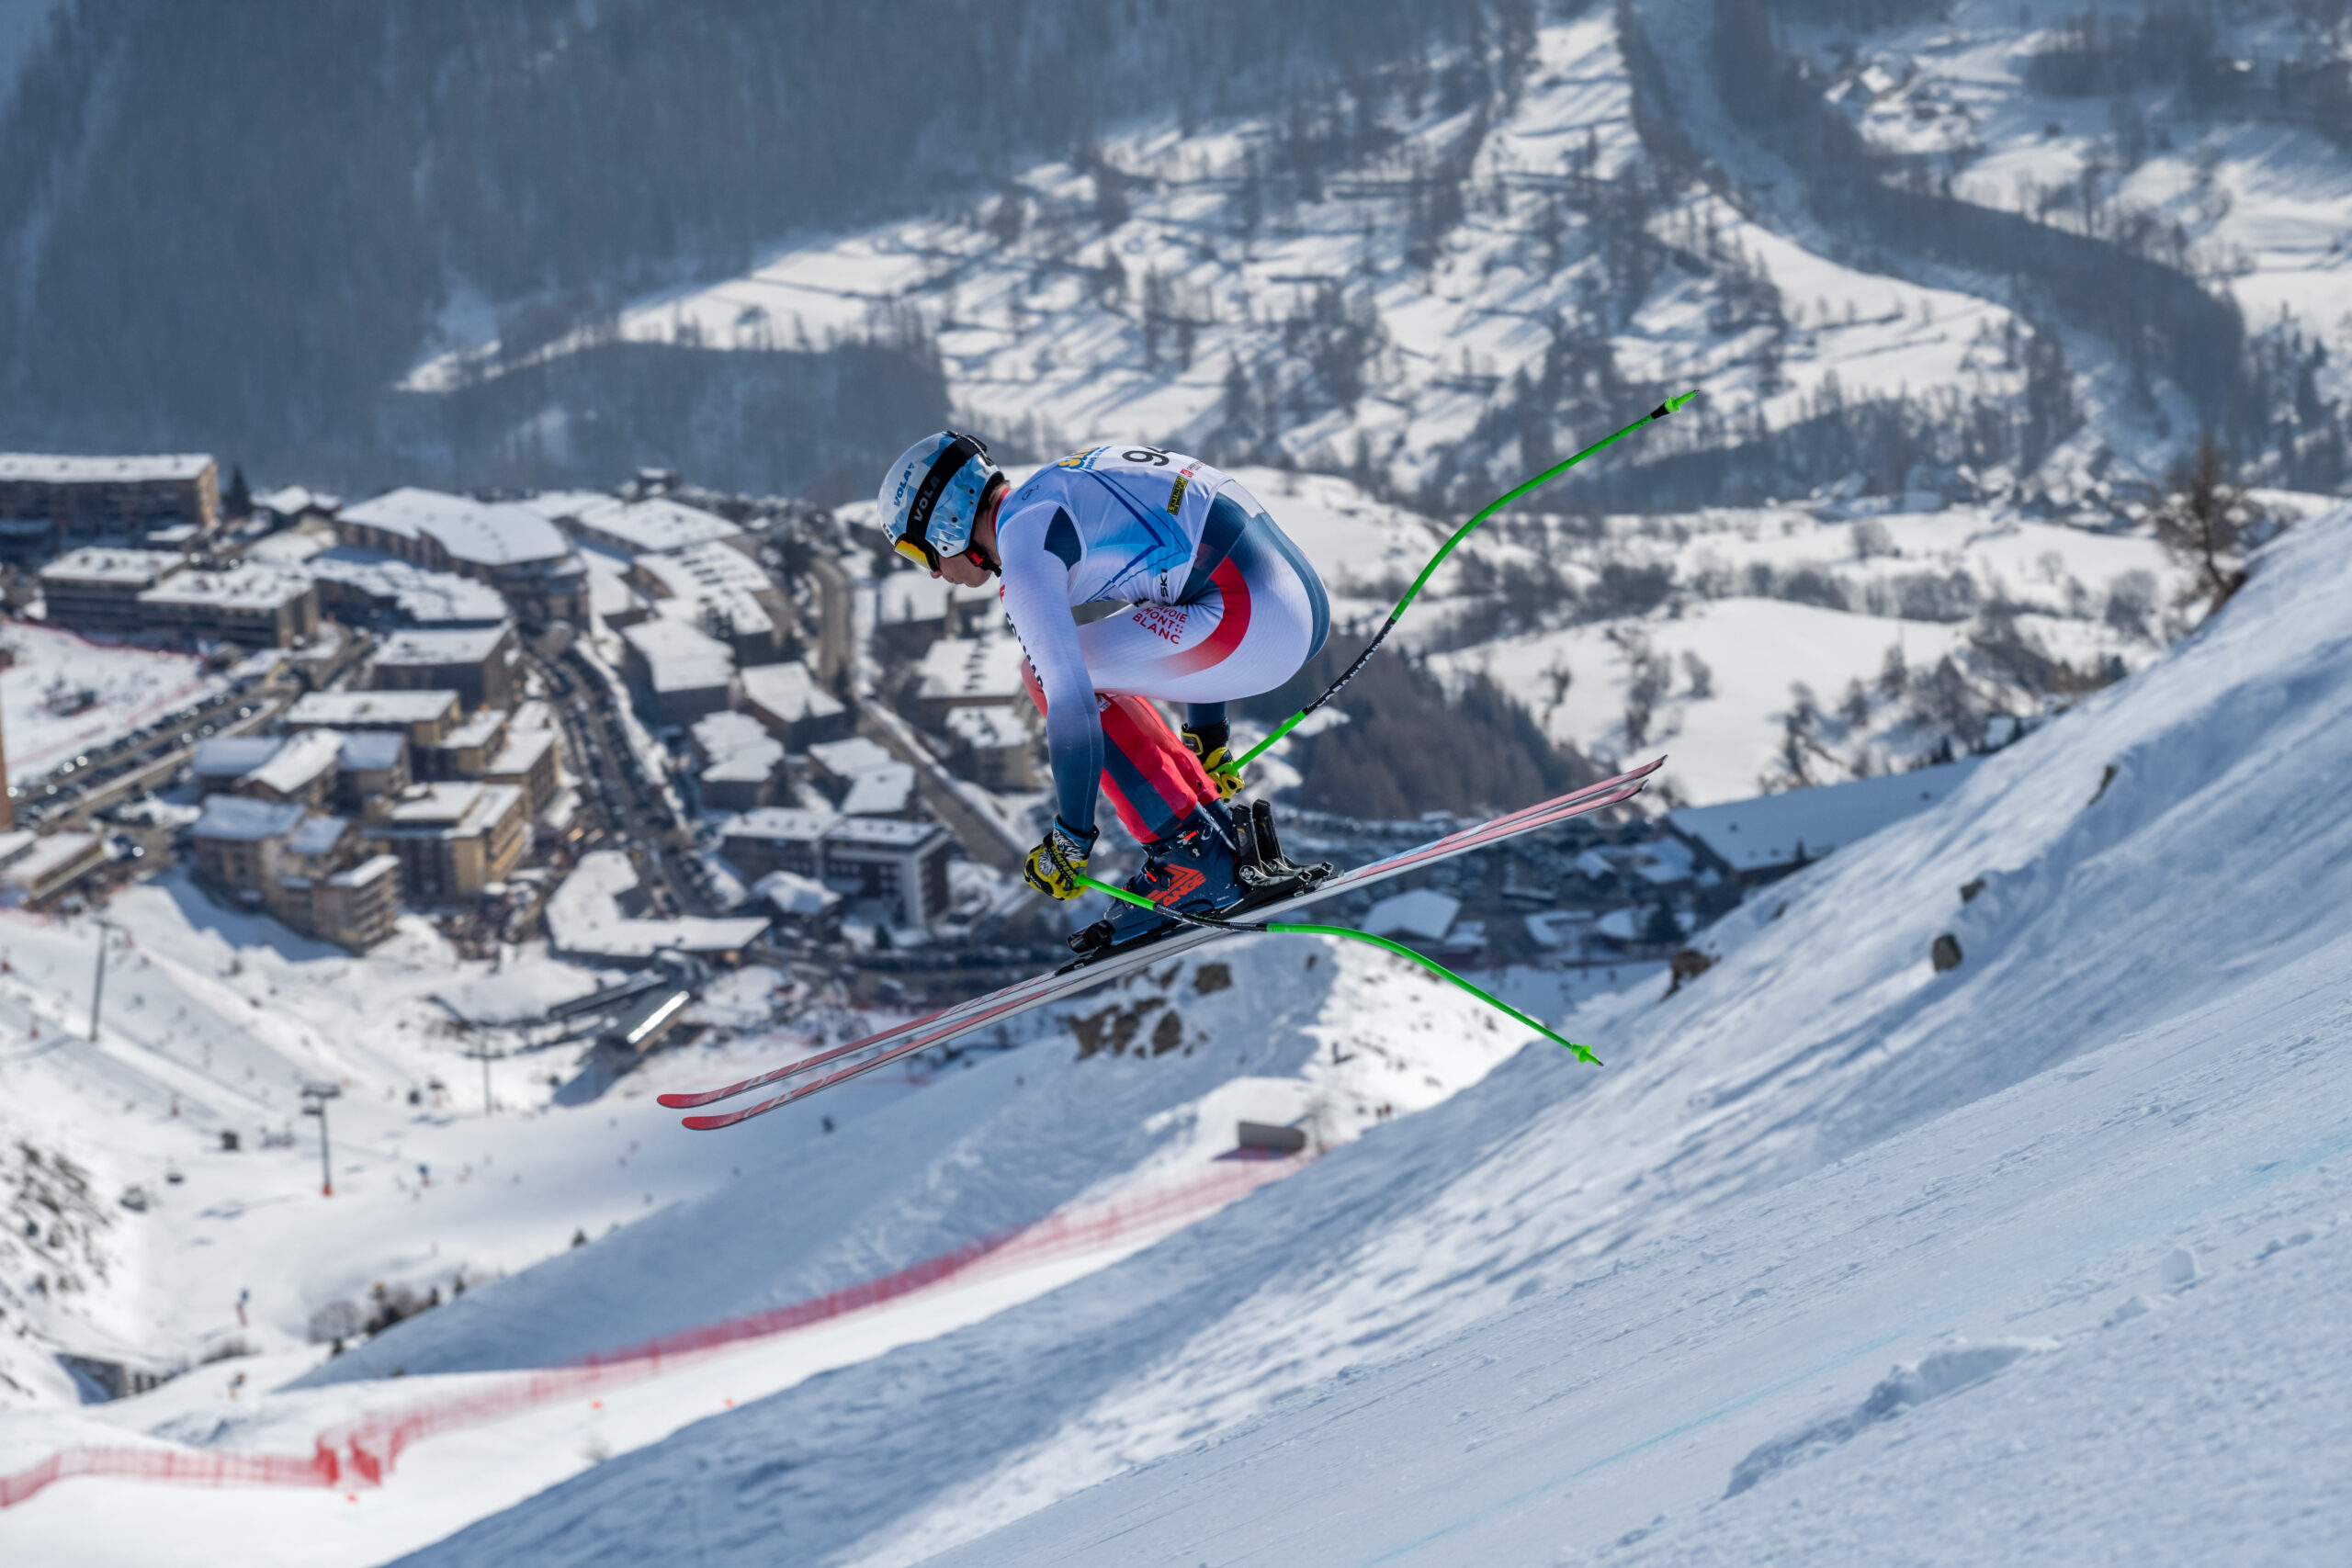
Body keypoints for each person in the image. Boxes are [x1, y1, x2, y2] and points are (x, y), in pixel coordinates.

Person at [876, 431, 1330, 950]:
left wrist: (1070, 839)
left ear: (947, 525)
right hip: (1298, 607)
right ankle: (1210, 825)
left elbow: (1071, 705)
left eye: (920, 552)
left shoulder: (1024, 554)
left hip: (1258, 624)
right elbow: (1190, 576)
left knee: (1044, 676)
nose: (934, 573)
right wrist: (1208, 731)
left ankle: (1191, 858)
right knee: (1081, 661)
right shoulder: (1057, 484)